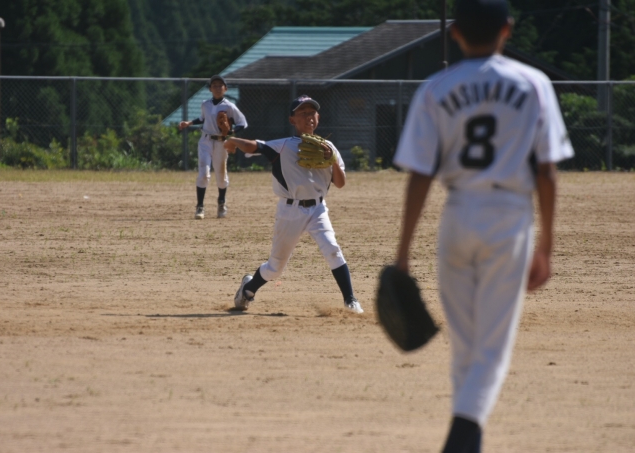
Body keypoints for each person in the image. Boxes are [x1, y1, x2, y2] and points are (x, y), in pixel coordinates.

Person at [392, 0, 574, 451]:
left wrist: (403, 253)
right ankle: (462, 436)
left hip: (457, 214)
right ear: (507, 30)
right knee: (492, 346)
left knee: (466, 345)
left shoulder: (435, 88)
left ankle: (467, 440)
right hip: (509, 217)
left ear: (454, 32)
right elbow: (546, 172)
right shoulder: (533, 83)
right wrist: (546, 245)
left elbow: (420, 174)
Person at [222, 95, 363, 314]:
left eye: (312, 112)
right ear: (292, 120)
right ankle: (248, 289)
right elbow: (254, 146)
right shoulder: (283, 146)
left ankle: (350, 300)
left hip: (318, 209)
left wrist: (332, 160)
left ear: (318, 117)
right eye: (303, 113)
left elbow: (341, 183)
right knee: (275, 268)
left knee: (332, 249)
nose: (309, 117)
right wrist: (232, 140)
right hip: (290, 211)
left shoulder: (329, 147)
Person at [179, 75, 247, 219]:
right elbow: (202, 119)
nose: (217, 88)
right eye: (214, 85)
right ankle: (200, 207)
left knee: (221, 176)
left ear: (225, 88)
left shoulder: (229, 106)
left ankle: (221, 202)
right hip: (205, 141)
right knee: (204, 174)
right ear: (210, 89)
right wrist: (189, 123)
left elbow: (242, 123)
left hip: (221, 142)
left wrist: (232, 131)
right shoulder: (205, 104)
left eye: (220, 85)